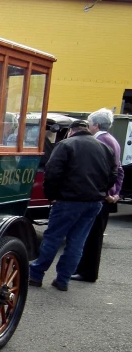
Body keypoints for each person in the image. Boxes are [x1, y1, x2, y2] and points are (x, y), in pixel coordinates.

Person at [29, 120, 118, 291]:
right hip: (93, 201)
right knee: (77, 241)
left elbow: (53, 172)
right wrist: (101, 190)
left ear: (71, 131)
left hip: (68, 200)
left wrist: (51, 196)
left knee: (53, 238)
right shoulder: (103, 147)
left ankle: (36, 275)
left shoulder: (66, 145)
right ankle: (63, 280)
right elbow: (113, 173)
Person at [71, 108, 124, 282]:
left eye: (89, 123)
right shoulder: (112, 140)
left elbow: (106, 171)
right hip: (106, 195)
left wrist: (109, 192)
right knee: (93, 235)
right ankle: (86, 271)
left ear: (96, 125)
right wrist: (115, 192)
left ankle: (87, 271)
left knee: (91, 236)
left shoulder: (100, 142)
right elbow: (119, 170)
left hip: (99, 196)